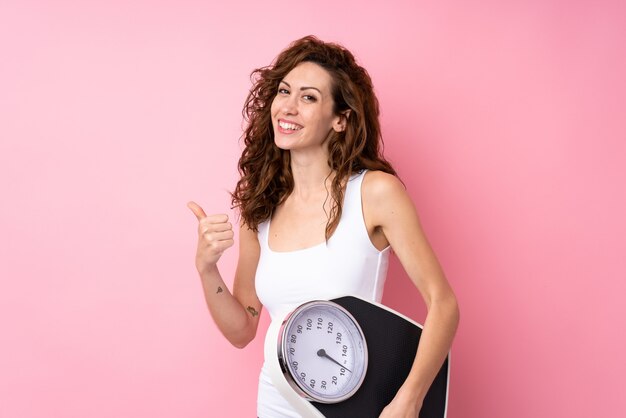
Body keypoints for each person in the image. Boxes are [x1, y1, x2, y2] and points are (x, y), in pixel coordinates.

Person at [188, 35, 459, 418]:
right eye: (285, 91)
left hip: (360, 406)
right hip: (277, 404)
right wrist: (206, 268)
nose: (289, 107)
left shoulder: (375, 193)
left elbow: (443, 304)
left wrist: (408, 401)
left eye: (309, 97)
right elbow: (242, 330)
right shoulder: (260, 207)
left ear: (340, 119)